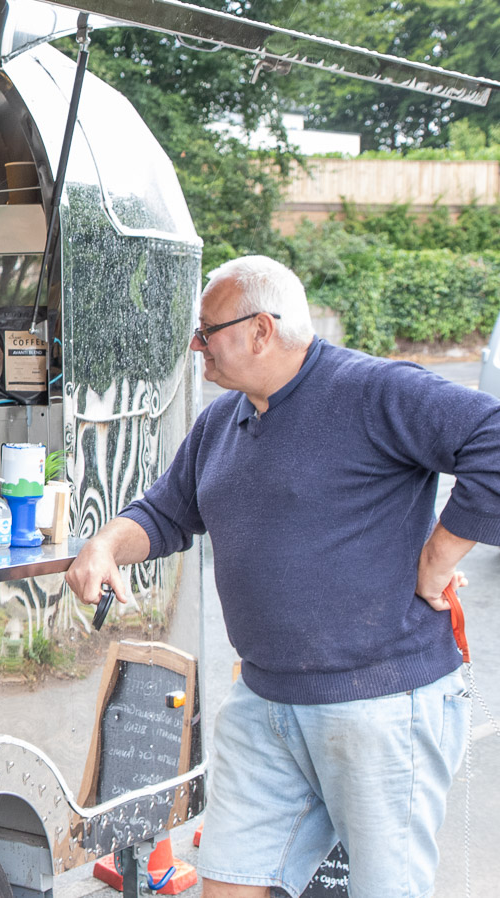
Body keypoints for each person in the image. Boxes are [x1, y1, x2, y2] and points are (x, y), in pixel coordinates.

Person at [65, 255, 500, 898]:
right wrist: (105, 543)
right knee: (230, 885)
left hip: (377, 706)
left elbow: (492, 438)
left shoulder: (373, 391)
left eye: (207, 330)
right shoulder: (223, 420)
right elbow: (164, 512)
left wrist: (437, 558)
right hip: (263, 703)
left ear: (261, 330)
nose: (196, 344)